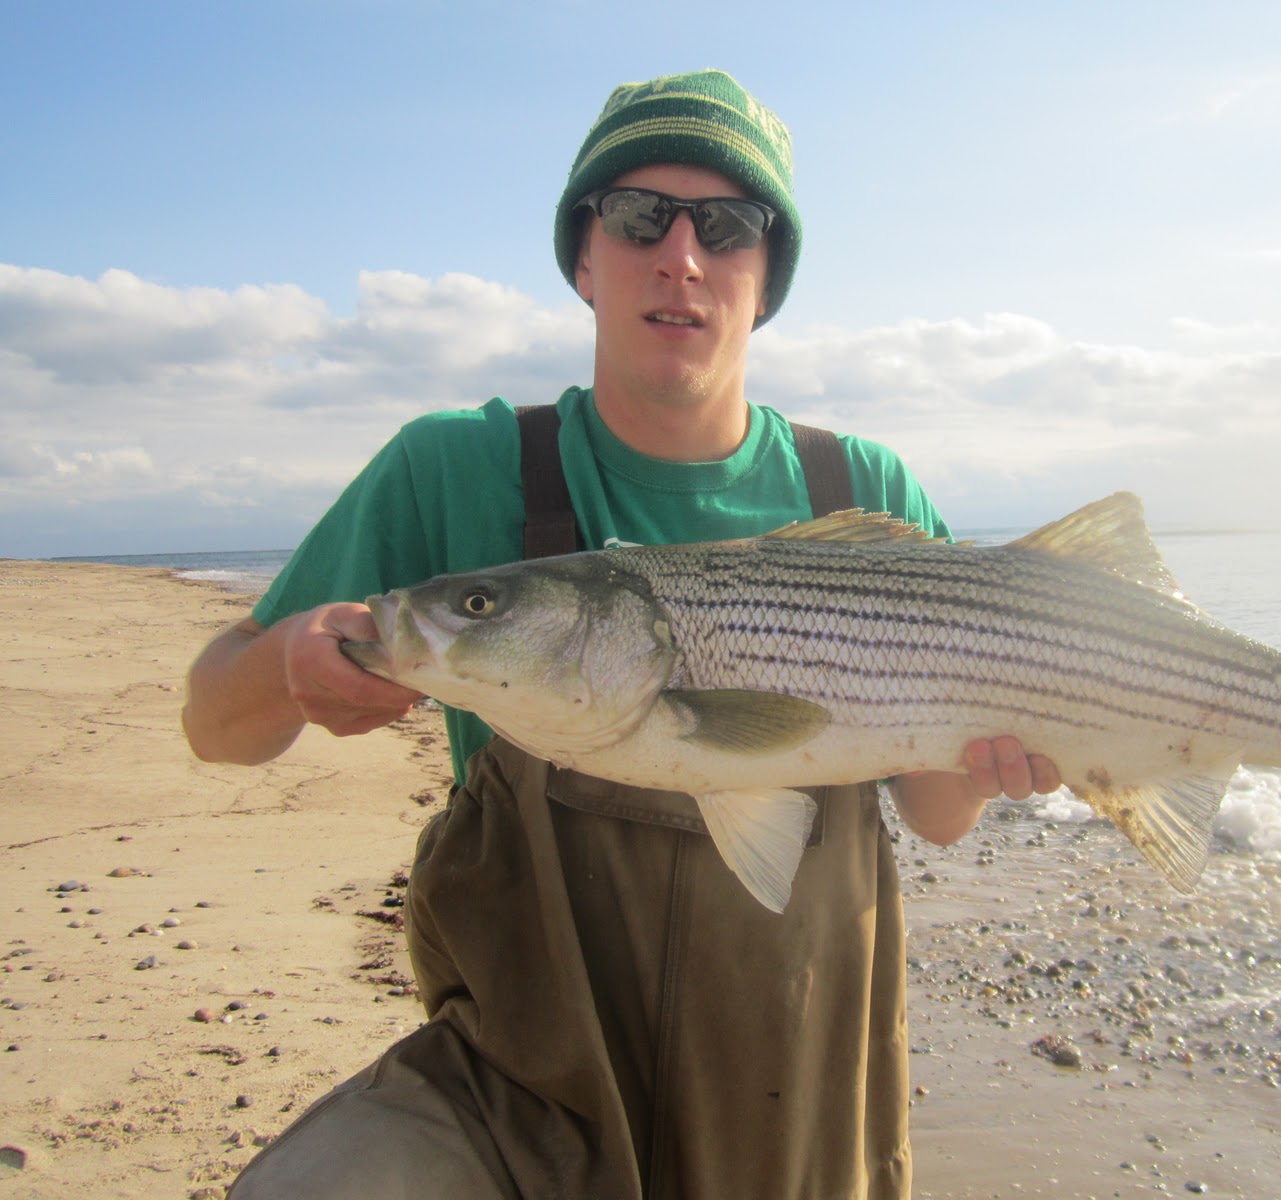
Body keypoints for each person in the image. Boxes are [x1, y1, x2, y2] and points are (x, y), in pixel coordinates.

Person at [184, 69, 1059, 1199]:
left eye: (728, 227)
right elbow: (216, 726)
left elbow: (936, 815)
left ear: (766, 277)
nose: (680, 256)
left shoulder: (866, 491)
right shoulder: (452, 466)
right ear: (584, 257)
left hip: (798, 1099)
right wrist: (287, 663)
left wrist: (998, 761)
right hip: (519, 1089)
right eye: (639, 215)